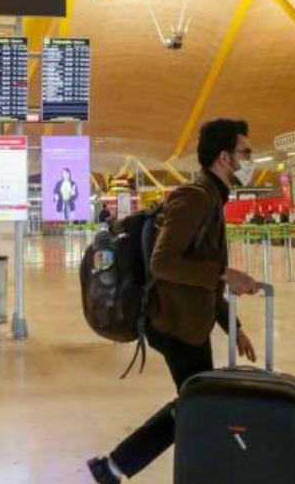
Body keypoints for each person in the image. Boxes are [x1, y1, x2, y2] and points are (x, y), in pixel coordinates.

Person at [87, 118, 261, 483]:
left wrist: (234, 327)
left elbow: (203, 273)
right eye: (246, 152)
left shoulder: (210, 197)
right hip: (175, 324)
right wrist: (226, 275)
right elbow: (163, 262)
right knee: (199, 405)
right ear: (225, 158)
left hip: (187, 321)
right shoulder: (194, 197)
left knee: (198, 403)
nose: (251, 159)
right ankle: (117, 466)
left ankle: (115, 467)